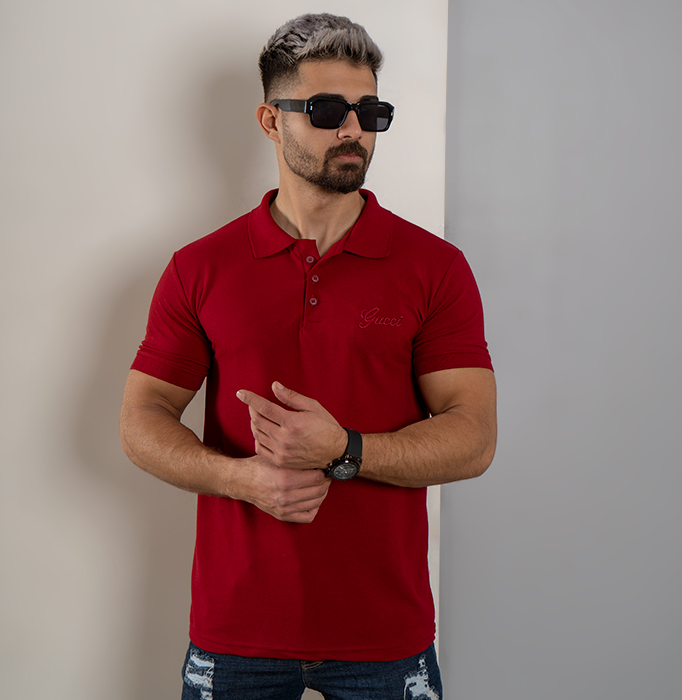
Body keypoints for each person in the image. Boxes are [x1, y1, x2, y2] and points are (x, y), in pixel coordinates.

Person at [120, 12, 496, 700]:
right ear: (271, 121)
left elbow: (473, 438)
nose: (353, 129)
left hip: (385, 635)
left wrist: (345, 449)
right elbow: (142, 418)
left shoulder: (434, 267)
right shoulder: (199, 267)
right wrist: (242, 480)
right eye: (327, 110)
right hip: (236, 632)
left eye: (370, 112)